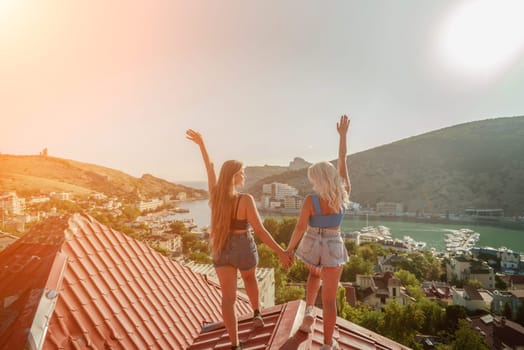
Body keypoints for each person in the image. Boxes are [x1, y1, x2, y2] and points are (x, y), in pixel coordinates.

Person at [186, 129, 291, 350]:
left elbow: (210, 168)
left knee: (228, 298)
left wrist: (202, 145)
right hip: (244, 247)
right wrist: (281, 252)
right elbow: (261, 231)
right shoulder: (246, 200)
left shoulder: (215, 196)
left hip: (222, 247)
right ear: (234, 176)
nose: (245, 176)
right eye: (242, 172)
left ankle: (234, 345)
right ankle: (256, 313)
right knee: (250, 279)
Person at [285, 115, 351, 350]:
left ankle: (309, 314)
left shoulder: (310, 201)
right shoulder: (343, 193)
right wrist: (342, 137)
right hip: (333, 245)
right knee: (330, 300)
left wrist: (289, 250)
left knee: (314, 276)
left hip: (312, 245)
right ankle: (326, 344)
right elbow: (343, 160)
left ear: (317, 179)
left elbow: (300, 228)